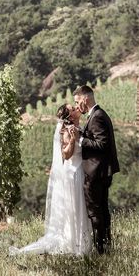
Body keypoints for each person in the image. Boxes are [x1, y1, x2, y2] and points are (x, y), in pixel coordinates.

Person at [10, 104, 92, 256]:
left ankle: (82, 243)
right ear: (70, 116)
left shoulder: (77, 126)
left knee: (80, 208)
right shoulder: (67, 131)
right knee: (75, 209)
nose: (76, 108)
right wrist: (73, 140)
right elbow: (66, 155)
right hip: (73, 174)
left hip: (80, 171)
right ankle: (75, 244)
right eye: (73, 108)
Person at [74, 85, 120, 254]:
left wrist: (79, 140)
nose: (78, 105)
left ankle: (100, 248)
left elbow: (101, 144)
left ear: (85, 99)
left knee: (95, 211)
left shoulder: (97, 116)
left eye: (78, 101)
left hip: (96, 172)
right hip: (101, 172)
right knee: (102, 209)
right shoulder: (97, 114)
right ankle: (106, 246)